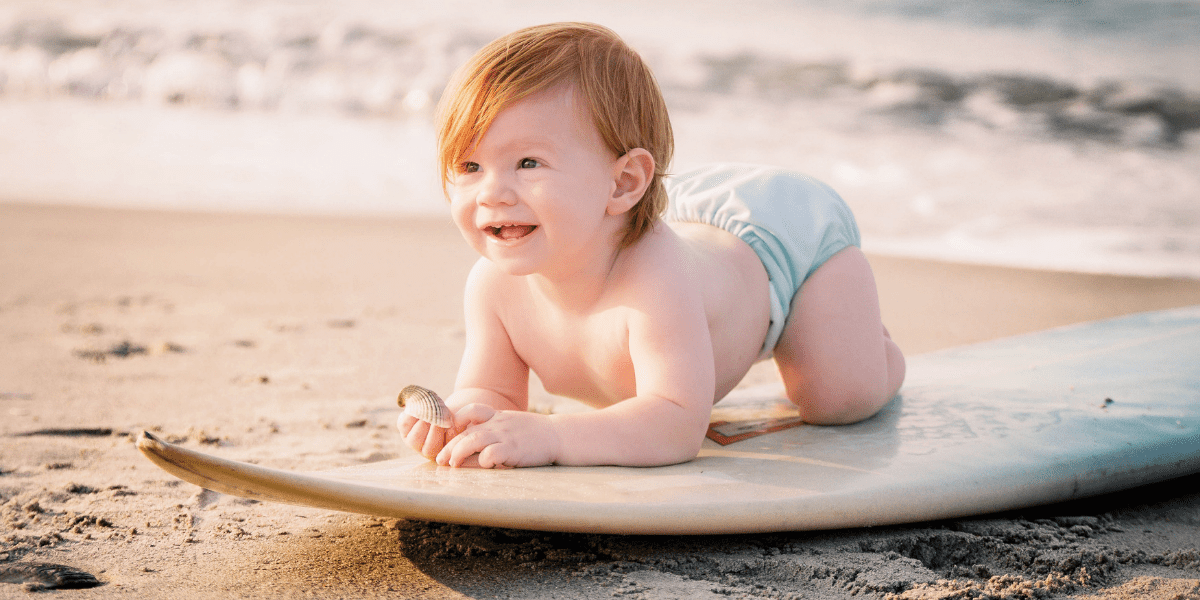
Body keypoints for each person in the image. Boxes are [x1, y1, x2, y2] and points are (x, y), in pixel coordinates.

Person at [399, 22, 905, 468]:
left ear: (621, 184)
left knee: (835, 400)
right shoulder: (493, 286)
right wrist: (460, 419)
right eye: (469, 167)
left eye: (528, 163)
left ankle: (869, 338)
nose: (492, 193)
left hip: (788, 248)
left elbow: (677, 424)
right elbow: (494, 392)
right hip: (704, 230)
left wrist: (554, 435)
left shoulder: (654, 277)